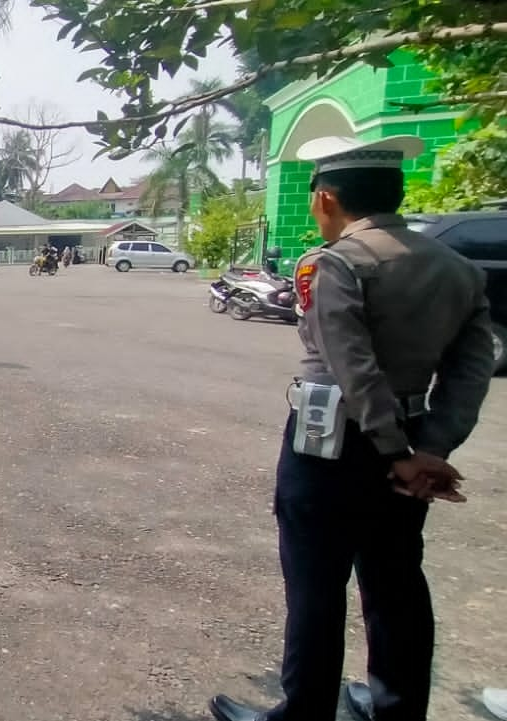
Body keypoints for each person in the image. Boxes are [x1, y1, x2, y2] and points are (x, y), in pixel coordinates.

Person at [208, 135, 495, 721]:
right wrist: (430, 447)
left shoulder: (332, 263)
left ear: (328, 198)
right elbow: (472, 369)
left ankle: (305, 710)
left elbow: (350, 363)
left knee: (316, 582)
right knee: (396, 582)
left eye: (316, 193)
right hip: (412, 442)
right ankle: (396, 705)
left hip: (331, 444)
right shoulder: (457, 268)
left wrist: (393, 449)